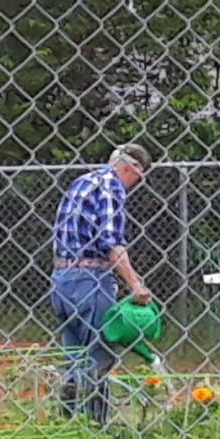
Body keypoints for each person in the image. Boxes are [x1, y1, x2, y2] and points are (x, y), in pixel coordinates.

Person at [52, 144, 155, 424]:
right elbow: (111, 241)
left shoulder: (81, 182)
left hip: (62, 279)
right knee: (100, 353)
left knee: (74, 353)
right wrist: (135, 285)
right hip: (91, 280)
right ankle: (96, 427)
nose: (137, 182)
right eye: (139, 175)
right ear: (129, 167)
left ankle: (68, 423)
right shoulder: (112, 186)